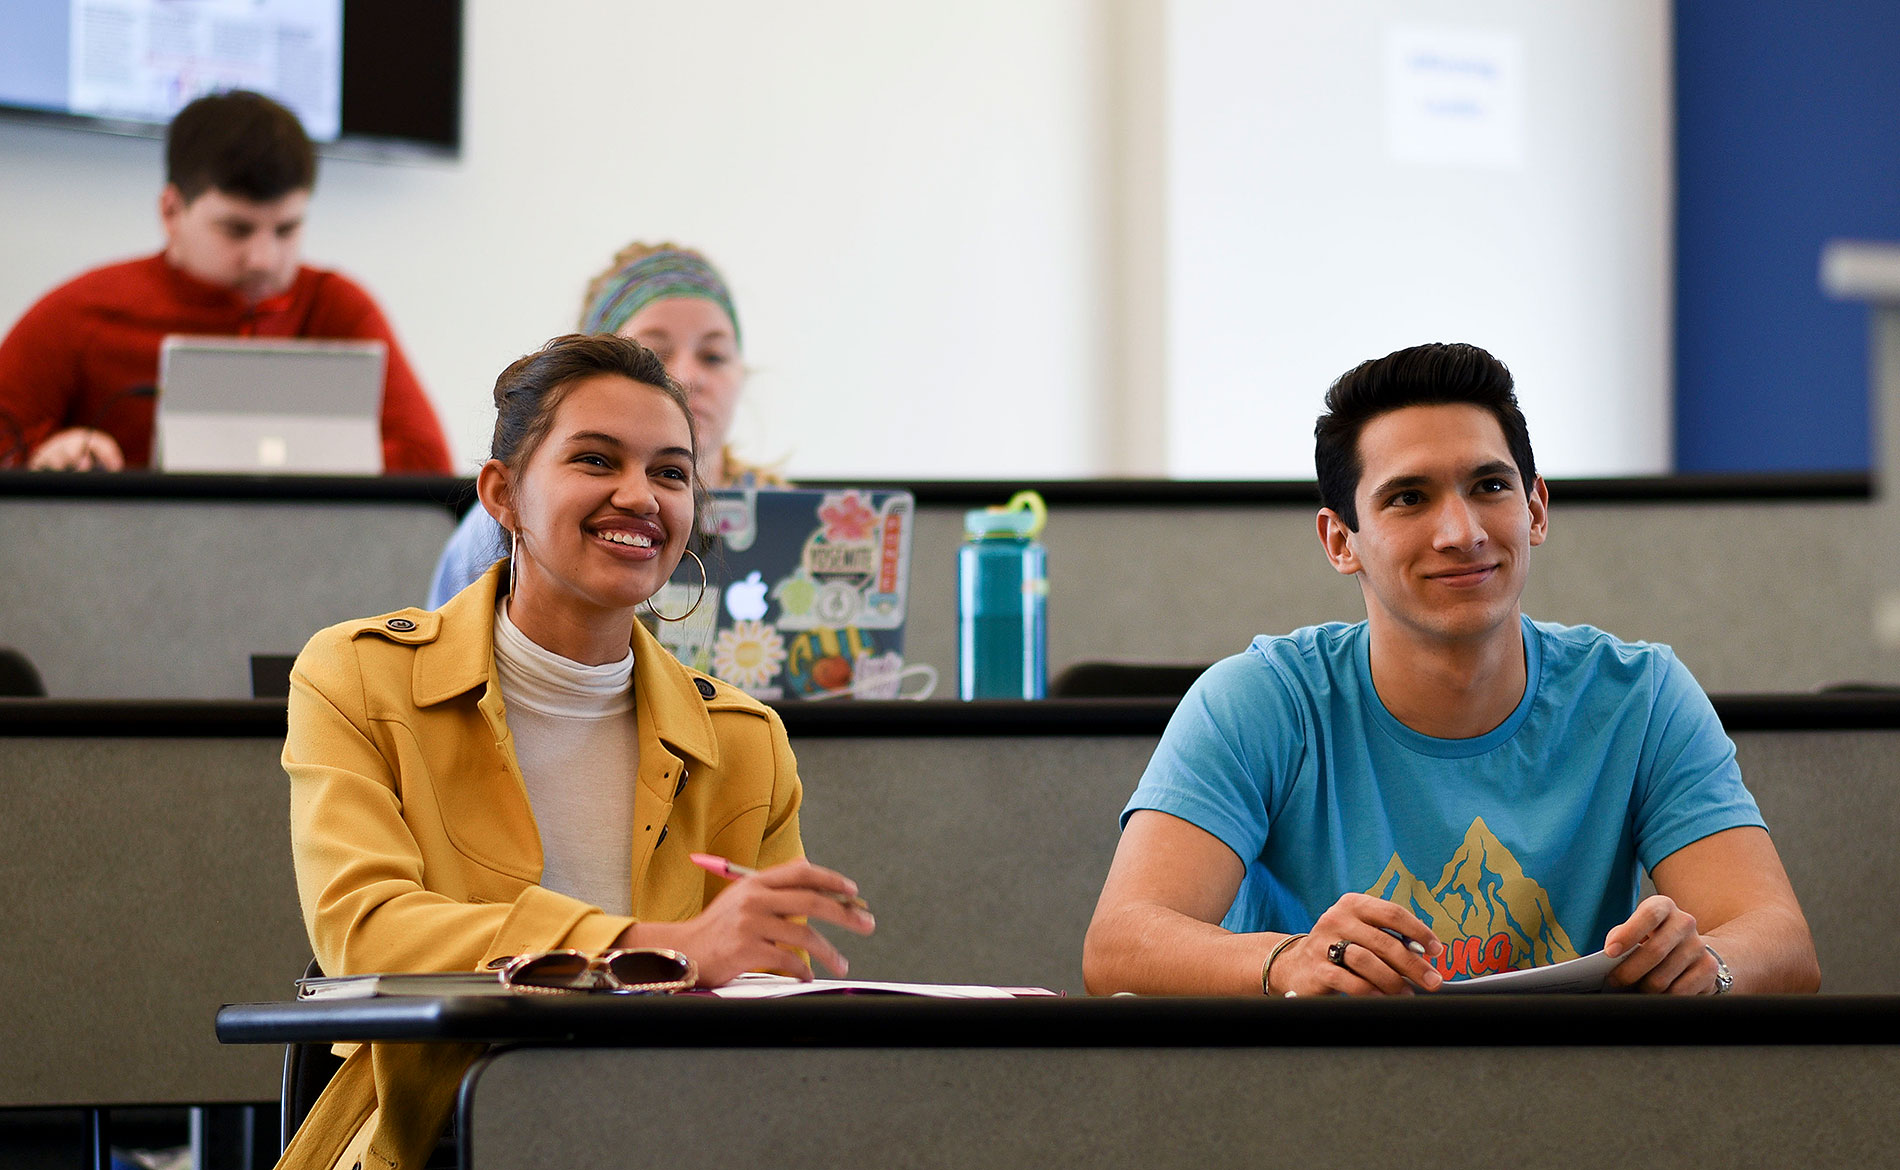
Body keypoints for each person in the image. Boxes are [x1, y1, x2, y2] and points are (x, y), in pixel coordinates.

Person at [280, 334, 872, 1170]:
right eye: (596, 460)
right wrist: (654, 948)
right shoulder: (360, 676)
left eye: (671, 473)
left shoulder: (744, 739)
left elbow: (767, 986)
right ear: (503, 495)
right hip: (437, 1139)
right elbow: (367, 933)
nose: (641, 496)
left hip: (679, 1137)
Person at [1083, 342, 1820, 998]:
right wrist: (1287, 963)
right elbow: (1119, 944)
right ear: (1341, 540)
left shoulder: (1640, 697)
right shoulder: (1258, 702)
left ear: (1536, 511)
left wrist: (1709, 965)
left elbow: (1780, 943)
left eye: (1490, 487)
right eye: (1409, 498)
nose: (1460, 532)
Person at [0, 90, 452, 473]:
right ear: (171, 211)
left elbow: (428, 468)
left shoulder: (338, 309)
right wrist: (46, 460)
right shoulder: (82, 313)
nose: (264, 258)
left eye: (286, 229)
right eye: (236, 229)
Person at [428, 242, 775, 606]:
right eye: (654, 355)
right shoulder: (505, 520)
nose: (688, 377)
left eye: (713, 356)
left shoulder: (792, 521)